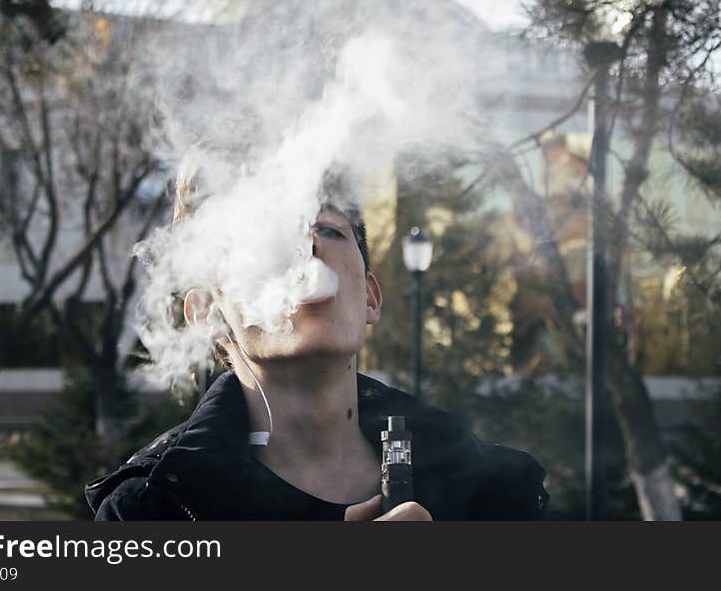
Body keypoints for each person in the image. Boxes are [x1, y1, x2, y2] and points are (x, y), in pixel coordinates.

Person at [84, 183, 549, 520]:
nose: (305, 244)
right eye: (264, 234)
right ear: (207, 313)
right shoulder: (152, 511)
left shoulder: (483, 485)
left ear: (370, 297)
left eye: (327, 228)